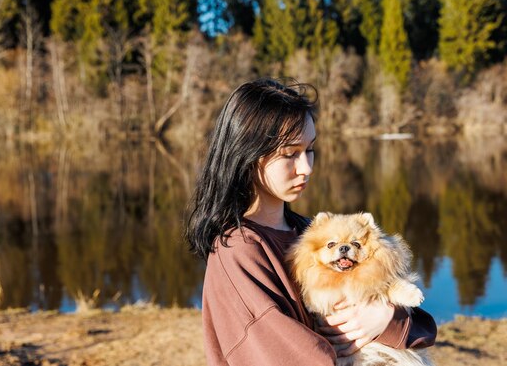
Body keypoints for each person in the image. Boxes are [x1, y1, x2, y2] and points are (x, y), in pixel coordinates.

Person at [185, 78, 436, 366]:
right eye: (290, 154)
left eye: (310, 150)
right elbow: (291, 356)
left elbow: (421, 330)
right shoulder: (237, 253)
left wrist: (384, 319)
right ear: (247, 155)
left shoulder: (311, 234)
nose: (306, 167)